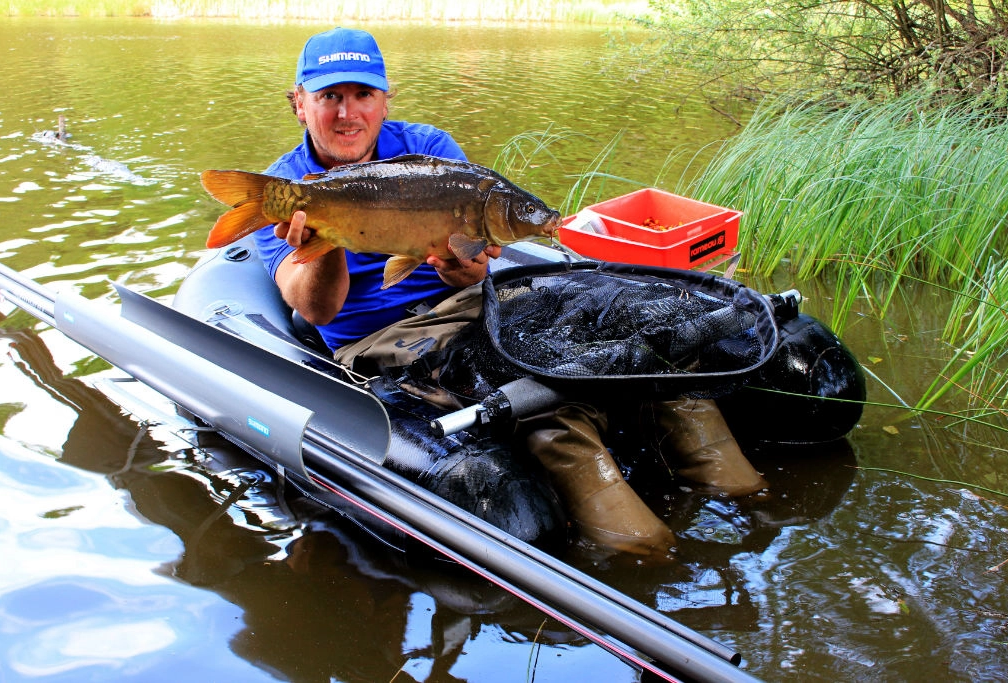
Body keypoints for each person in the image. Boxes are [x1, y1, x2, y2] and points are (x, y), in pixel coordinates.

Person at [254, 27, 767, 557]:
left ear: (385, 100)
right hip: (385, 336)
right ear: (299, 104)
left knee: (636, 343)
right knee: (535, 387)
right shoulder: (283, 190)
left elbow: (474, 275)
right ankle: (645, 552)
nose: (347, 113)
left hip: (476, 305)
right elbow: (316, 309)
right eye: (329, 97)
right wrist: (330, 236)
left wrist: (464, 270)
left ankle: (743, 494)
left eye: (362, 95)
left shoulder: (429, 150)